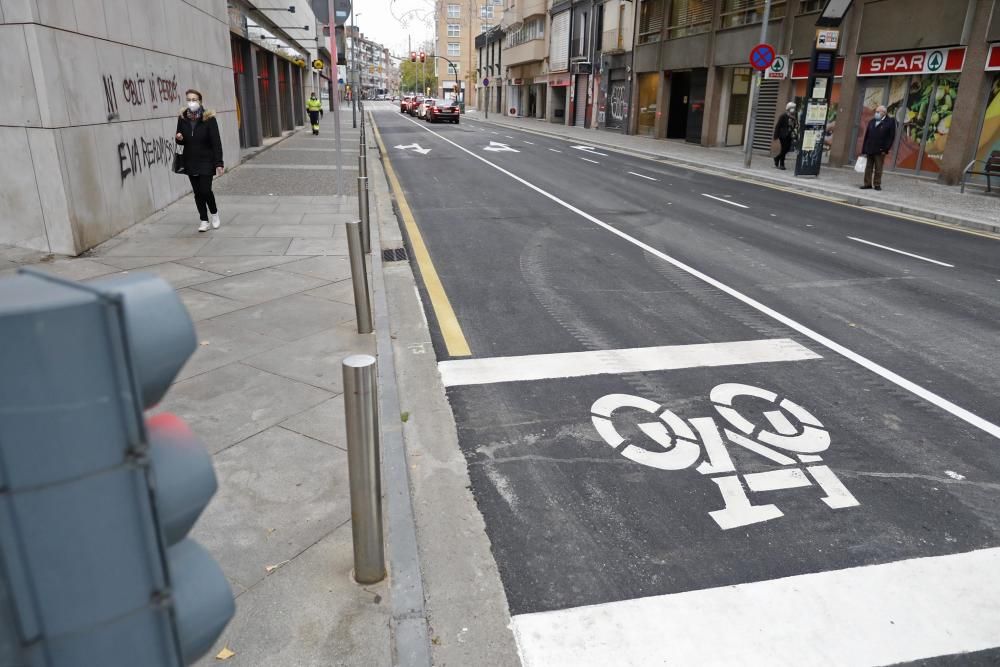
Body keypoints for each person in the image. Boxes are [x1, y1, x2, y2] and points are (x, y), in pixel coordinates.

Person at [175, 89, 224, 232]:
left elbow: (216, 143)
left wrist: (219, 163)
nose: (191, 102)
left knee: (205, 190)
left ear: (200, 101)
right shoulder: (182, 119)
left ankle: (214, 213)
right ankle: (204, 220)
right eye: (189, 99)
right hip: (190, 160)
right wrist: (179, 139)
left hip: (206, 160)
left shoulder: (209, 119)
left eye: (194, 99)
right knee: (197, 192)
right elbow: (180, 142)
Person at [860, 104, 896, 191]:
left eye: (878, 112)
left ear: (883, 113)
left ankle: (877, 184)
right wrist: (864, 149)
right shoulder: (872, 121)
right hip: (870, 148)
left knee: (878, 168)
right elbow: (867, 136)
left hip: (880, 150)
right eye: (876, 112)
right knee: (868, 167)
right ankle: (867, 184)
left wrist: (885, 149)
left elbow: (891, 137)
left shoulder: (890, 122)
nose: (876, 113)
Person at [773, 102, 798, 170]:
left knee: (787, 149)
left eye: (794, 108)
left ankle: (777, 158)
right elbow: (778, 126)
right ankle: (782, 164)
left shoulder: (794, 117)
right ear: (789, 108)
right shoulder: (783, 116)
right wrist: (776, 136)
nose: (794, 109)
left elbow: (795, 125)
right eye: (792, 108)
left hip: (790, 135)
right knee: (784, 149)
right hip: (783, 135)